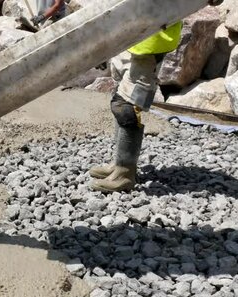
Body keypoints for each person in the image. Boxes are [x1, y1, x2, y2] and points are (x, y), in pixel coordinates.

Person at [89, 0, 223, 193]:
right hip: (135, 36)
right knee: (119, 98)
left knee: (127, 107)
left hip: (152, 39)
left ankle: (125, 173)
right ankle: (118, 162)